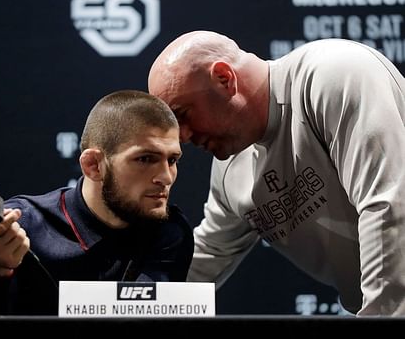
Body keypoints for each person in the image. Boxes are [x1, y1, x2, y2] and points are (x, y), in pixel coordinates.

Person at [148, 30, 405, 316]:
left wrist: (382, 317)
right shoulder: (229, 168)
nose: (181, 137)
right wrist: (115, 304)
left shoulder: (334, 74)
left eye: (182, 114)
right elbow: (208, 257)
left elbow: (389, 203)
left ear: (224, 78)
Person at [0, 90, 194, 315]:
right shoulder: (21, 224)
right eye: (145, 159)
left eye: (172, 160)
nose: (165, 177)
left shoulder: (170, 232)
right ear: (93, 165)